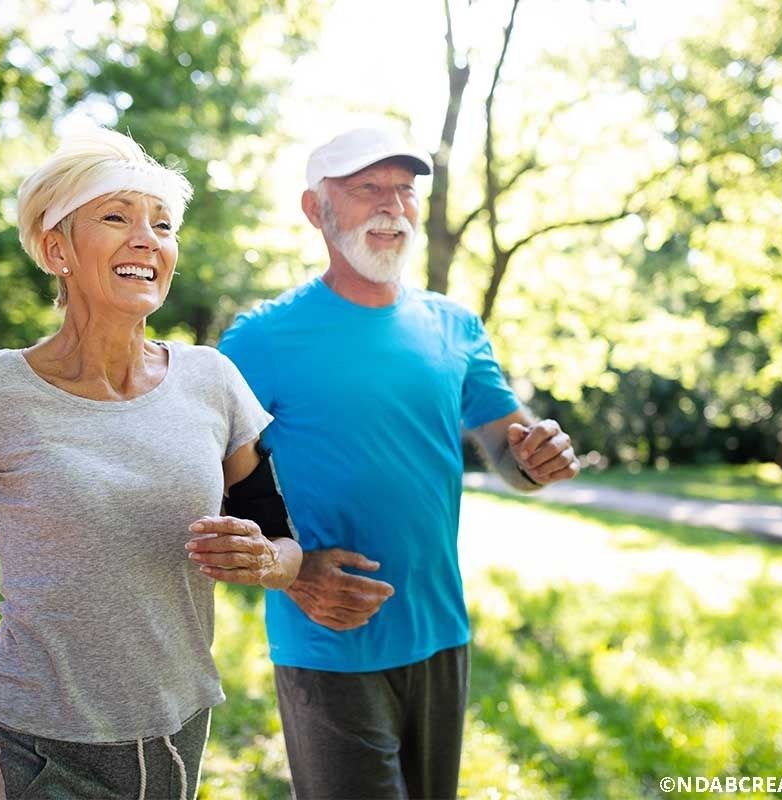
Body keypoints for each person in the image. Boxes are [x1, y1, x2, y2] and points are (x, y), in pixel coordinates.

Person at [0, 127, 302, 800]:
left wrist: (265, 561)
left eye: (162, 224)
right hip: (37, 748)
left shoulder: (212, 380)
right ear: (57, 249)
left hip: (178, 734)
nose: (146, 238)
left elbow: (284, 542)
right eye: (117, 217)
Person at [218, 126, 582, 799]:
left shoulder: (457, 327)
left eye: (405, 189)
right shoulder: (261, 339)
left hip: (441, 632)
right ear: (313, 208)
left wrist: (541, 458)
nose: (393, 205)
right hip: (327, 638)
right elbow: (209, 480)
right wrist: (292, 573)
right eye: (367, 189)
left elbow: (511, 452)